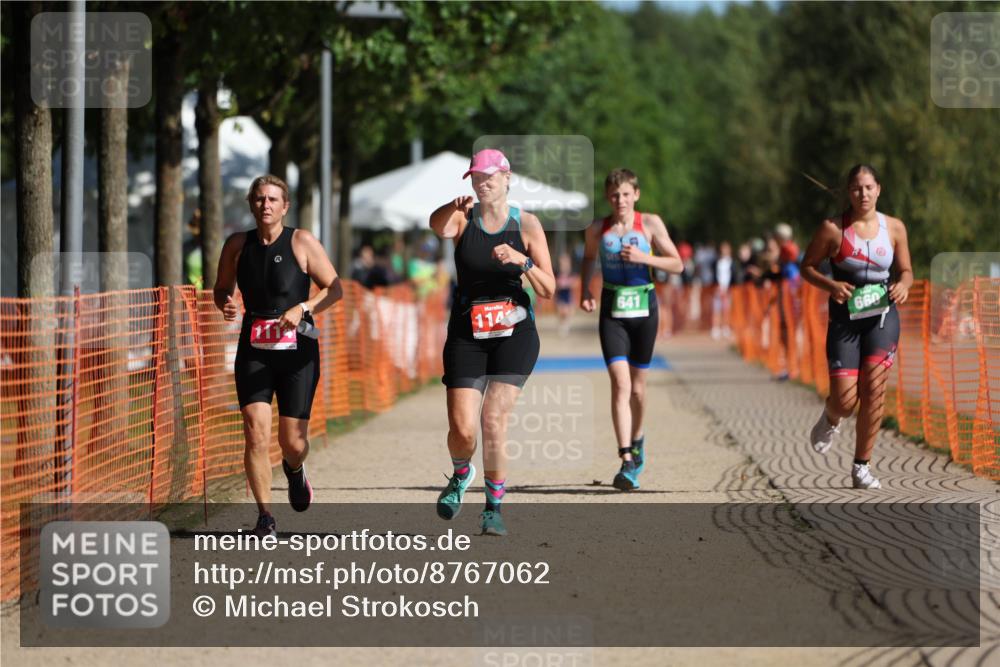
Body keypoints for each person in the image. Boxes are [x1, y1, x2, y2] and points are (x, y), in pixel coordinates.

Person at [429, 149, 555, 536]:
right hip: (468, 332)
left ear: (506, 177)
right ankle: (461, 473)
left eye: (489, 177)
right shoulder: (462, 219)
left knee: (492, 420)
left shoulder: (527, 224)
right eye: (476, 178)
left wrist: (524, 262)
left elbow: (548, 288)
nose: (482, 184)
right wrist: (452, 204)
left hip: (514, 332)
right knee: (462, 429)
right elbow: (436, 226)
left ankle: (493, 508)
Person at [214, 175, 343, 536]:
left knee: (293, 442)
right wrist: (224, 303)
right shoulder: (237, 245)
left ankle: (295, 468)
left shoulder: (301, 241)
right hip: (254, 347)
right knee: (255, 432)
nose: (265, 205)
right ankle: (265, 516)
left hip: (297, 351)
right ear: (251, 204)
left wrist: (303, 307)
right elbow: (221, 287)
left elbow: (335, 289)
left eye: (273, 199)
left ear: (285, 206)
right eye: (259, 199)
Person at [800, 164, 913, 489]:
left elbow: (906, 271)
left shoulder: (894, 228)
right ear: (848, 192)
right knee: (846, 400)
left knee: (874, 390)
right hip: (845, 320)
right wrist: (830, 286)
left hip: (882, 318)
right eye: (856, 188)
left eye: (868, 187)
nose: (862, 194)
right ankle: (832, 416)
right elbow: (807, 267)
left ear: (878, 189)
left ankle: (862, 466)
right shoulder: (832, 229)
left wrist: (904, 285)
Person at [580, 168, 683, 490]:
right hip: (612, 310)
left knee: (638, 389)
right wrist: (586, 289)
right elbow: (588, 257)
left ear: (635, 194)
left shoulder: (650, 224)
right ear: (607, 197)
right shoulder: (598, 228)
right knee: (620, 384)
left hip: (644, 309)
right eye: (614, 194)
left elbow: (677, 264)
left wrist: (644, 258)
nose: (619, 200)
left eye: (625, 194)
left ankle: (638, 440)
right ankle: (626, 458)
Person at [555, 252, 575, 337]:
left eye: (565, 262)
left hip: (568, 294)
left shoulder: (571, 272)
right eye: (562, 262)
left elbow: (574, 283)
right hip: (560, 294)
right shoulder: (557, 272)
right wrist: (559, 284)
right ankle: (562, 326)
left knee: (568, 312)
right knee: (561, 312)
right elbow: (555, 283)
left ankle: (566, 326)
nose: (563, 264)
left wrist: (568, 283)